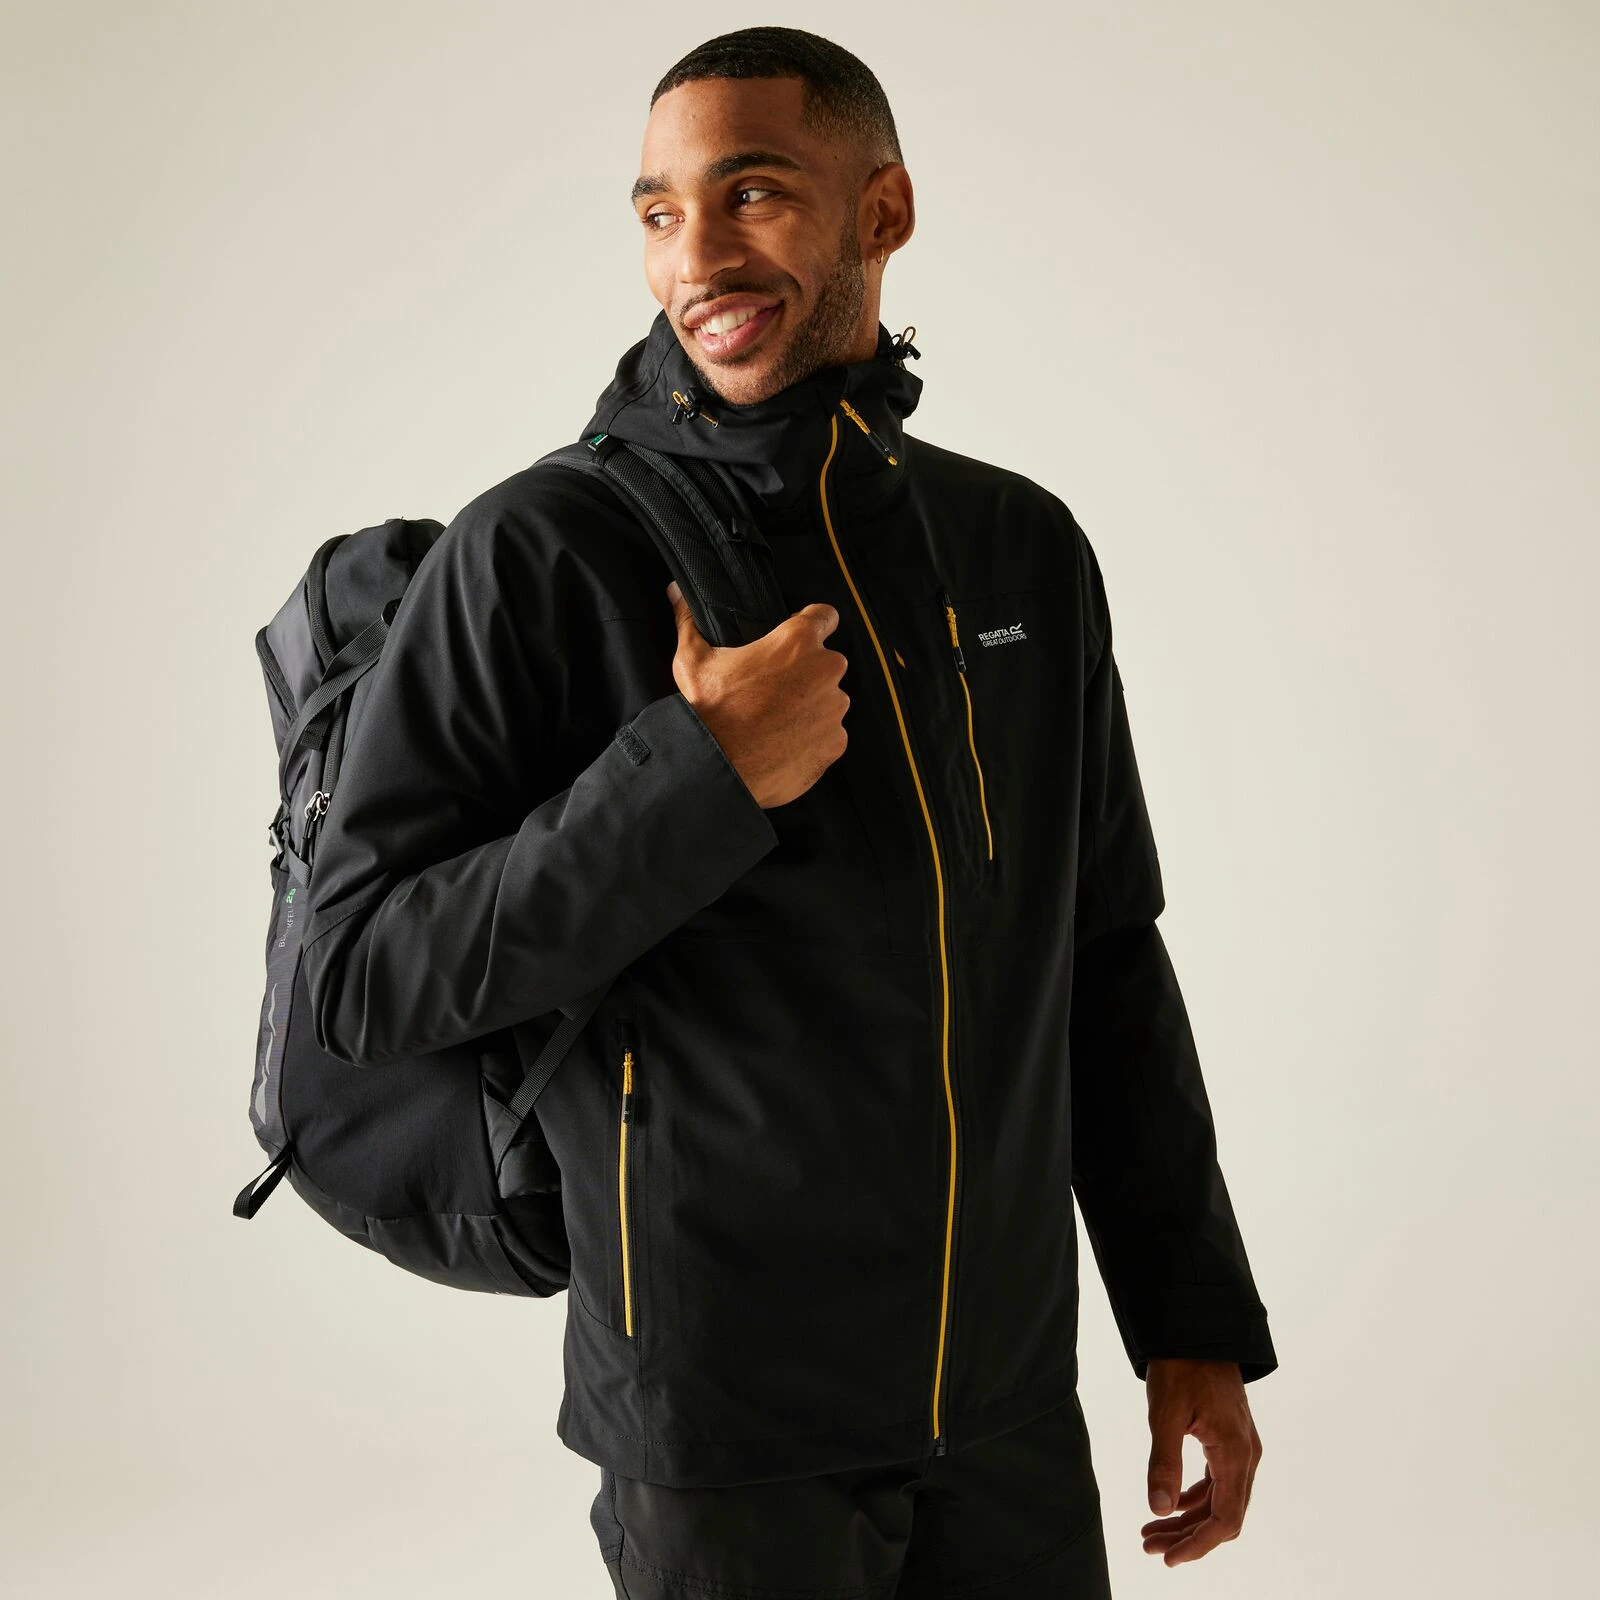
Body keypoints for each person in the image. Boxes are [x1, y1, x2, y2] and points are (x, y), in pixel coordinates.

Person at [300, 24, 1278, 1599]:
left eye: (751, 195)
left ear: (883, 210)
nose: (697, 257)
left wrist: (1189, 1325)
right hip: (723, 1434)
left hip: (1006, 1414)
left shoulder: (1018, 546)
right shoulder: (541, 552)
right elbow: (359, 978)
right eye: (659, 212)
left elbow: (1101, 960)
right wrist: (692, 780)